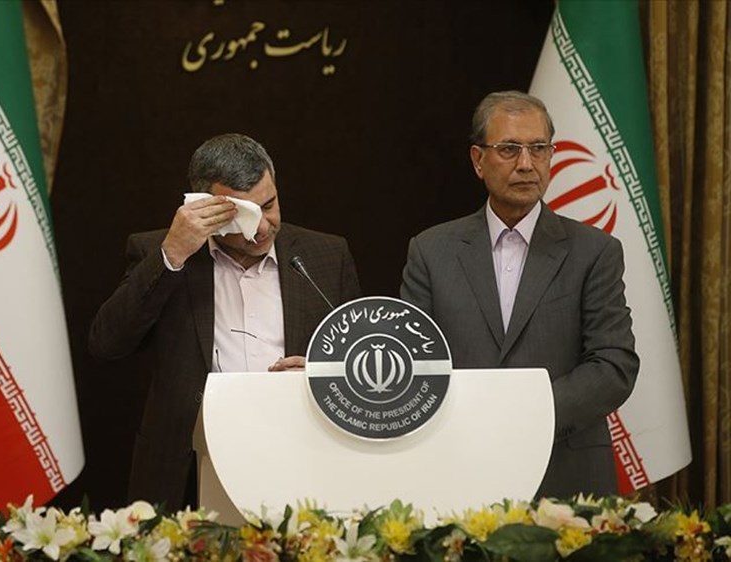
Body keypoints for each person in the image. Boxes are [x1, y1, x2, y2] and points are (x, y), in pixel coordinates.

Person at [89, 133, 361, 509]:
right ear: (204, 207)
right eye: (243, 216)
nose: (262, 227)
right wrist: (173, 254)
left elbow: (357, 366)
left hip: (302, 457)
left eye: (269, 205)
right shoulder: (161, 251)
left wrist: (320, 373)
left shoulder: (326, 255)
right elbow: (107, 343)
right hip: (191, 469)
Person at [400, 91, 639, 499]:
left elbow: (614, 365)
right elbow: (411, 361)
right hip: (460, 467)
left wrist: (527, 412)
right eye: (509, 149)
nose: (526, 164)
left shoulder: (594, 251)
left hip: (565, 474)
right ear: (478, 160)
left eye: (538, 149)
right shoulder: (431, 251)